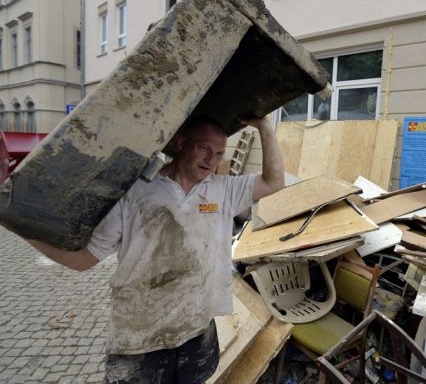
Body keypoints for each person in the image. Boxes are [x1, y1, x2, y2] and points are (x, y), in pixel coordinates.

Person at [26, 114, 284, 383]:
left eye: (219, 153)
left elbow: (273, 182)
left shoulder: (223, 190)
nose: (212, 159)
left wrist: (265, 125)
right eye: (204, 148)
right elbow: (83, 259)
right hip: (141, 336)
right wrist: (28, 233)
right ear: (182, 142)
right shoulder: (136, 192)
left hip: (196, 328)